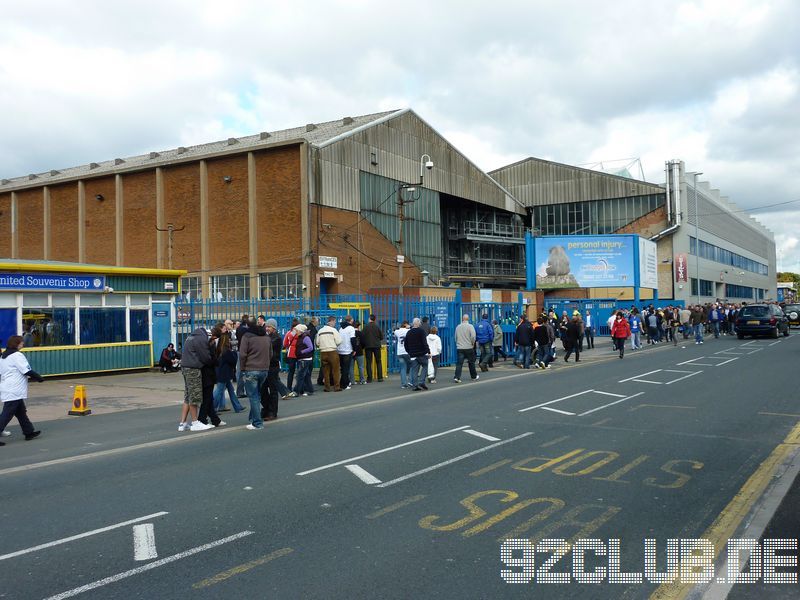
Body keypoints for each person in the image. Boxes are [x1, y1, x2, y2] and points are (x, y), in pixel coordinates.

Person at [0, 335, 43, 446]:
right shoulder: (17, 355)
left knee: (21, 412)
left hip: (9, 388)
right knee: (7, 414)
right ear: (17, 344)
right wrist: (39, 377)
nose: (23, 344)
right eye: (21, 342)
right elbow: (26, 370)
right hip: (14, 389)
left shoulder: (4, 356)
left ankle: (29, 432)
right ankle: (28, 432)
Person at [177, 328, 214, 432]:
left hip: (185, 368)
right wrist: (211, 362)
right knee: (195, 396)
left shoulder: (190, 337)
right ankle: (195, 422)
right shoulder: (201, 339)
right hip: (193, 369)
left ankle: (183, 423)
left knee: (188, 396)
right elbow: (205, 356)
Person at [239, 318, 271, 430]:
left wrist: (242, 369)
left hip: (251, 369)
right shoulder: (266, 337)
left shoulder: (247, 337)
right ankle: (253, 419)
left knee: (253, 396)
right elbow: (270, 353)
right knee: (257, 395)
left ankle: (257, 423)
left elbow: (242, 355)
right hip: (264, 370)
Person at [213, 333, 244, 413]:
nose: (230, 340)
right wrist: (234, 352)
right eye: (229, 339)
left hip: (222, 373)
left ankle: (238, 406)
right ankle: (212, 407)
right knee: (219, 391)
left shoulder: (219, 349)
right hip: (224, 374)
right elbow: (233, 360)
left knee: (231, 390)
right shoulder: (226, 351)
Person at [263, 318, 287, 419]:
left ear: (274, 328)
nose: (267, 328)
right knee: (263, 389)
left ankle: (273, 412)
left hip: (273, 366)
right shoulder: (266, 337)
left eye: (269, 327)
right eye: (266, 326)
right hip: (265, 366)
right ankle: (267, 409)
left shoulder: (276, 338)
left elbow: (269, 348)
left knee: (273, 390)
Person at [316, 316, 342, 392]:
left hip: (323, 352)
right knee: (335, 370)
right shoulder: (333, 330)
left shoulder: (320, 331)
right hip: (332, 352)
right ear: (332, 321)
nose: (335, 323)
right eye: (335, 322)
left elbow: (317, 342)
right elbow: (339, 341)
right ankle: (336, 387)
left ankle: (327, 387)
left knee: (326, 371)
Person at [404, 318, 430, 391]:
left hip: (413, 354)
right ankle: (421, 381)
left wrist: (409, 352)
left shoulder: (409, 332)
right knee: (425, 365)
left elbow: (406, 344)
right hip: (421, 353)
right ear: (418, 323)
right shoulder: (421, 331)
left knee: (415, 370)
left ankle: (415, 386)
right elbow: (424, 343)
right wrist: (428, 351)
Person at [454, 314, 478, 383]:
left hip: (460, 347)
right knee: (471, 363)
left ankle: (457, 377)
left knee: (459, 363)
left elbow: (455, 337)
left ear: (462, 319)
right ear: (468, 319)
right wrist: (472, 343)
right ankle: (474, 376)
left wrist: (458, 344)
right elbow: (473, 336)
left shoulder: (458, 327)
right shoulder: (470, 326)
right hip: (469, 347)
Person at [293, 324, 315, 396]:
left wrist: (302, 352)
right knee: (306, 375)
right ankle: (310, 389)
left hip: (304, 359)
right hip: (304, 359)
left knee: (300, 375)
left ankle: (296, 391)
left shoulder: (305, 338)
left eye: (296, 330)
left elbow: (311, 347)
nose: (295, 331)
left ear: (300, 331)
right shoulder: (302, 337)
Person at [362, 314, 384, 383]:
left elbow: (363, 336)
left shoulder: (365, 327)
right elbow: (381, 337)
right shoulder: (377, 326)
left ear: (369, 319)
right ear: (375, 319)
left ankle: (369, 378)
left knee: (369, 362)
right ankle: (380, 377)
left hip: (368, 346)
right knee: (378, 361)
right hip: (377, 346)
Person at [338, 316, 355, 390]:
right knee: (346, 368)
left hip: (340, 350)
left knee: (342, 368)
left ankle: (344, 382)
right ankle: (344, 384)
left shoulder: (341, 328)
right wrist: (354, 349)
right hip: (347, 350)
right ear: (351, 321)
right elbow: (353, 339)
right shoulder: (351, 328)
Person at [283, 318, 300, 390]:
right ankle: (299, 387)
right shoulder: (300, 333)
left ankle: (289, 387)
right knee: (300, 372)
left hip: (291, 353)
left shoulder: (289, 333)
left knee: (291, 372)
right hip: (299, 353)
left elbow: (285, 343)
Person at [394, 321, 412, 389]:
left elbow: (395, 331)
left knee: (403, 368)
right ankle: (410, 381)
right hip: (407, 352)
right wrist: (409, 327)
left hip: (400, 352)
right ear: (406, 325)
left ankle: (404, 384)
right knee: (412, 366)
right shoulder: (408, 331)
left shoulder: (397, 332)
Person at [352, 320, 367, 385]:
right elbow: (364, 343)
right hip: (360, 351)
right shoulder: (361, 333)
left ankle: (352, 381)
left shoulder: (351, 333)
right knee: (361, 367)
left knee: (351, 367)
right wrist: (361, 347)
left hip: (352, 351)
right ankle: (362, 380)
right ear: (358, 326)